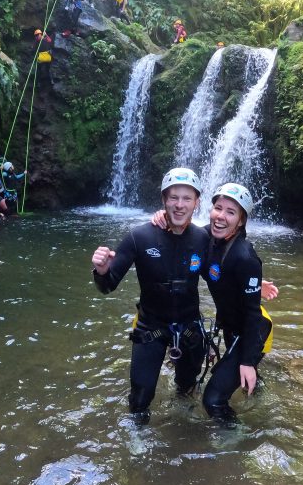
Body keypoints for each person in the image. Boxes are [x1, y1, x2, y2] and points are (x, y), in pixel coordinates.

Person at [91, 168, 211, 425]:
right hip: (150, 327)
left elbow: (222, 273)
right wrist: (101, 271)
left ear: (197, 202)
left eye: (186, 198)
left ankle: (183, 427)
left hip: (190, 327)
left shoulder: (203, 238)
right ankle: (137, 440)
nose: (179, 205)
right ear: (164, 200)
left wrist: (252, 284)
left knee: (187, 388)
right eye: (173, 198)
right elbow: (107, 286)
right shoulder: (140, 237)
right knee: (140, 396)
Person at [153, 182, 275, 424]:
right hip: (231, 326)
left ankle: (236, 442)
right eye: (218, 208)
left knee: (213, 399)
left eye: (231, 212)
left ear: (241, 221)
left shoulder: (245, 255)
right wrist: (163, 218)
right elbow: (180, 230)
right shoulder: (207, 236)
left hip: (254, 330)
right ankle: (259, 392)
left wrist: (248, 361)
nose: (221, 216)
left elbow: (251, 315)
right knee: (234, 376)